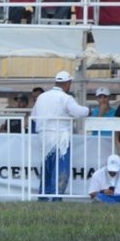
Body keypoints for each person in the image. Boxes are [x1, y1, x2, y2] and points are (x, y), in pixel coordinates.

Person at [31, 71, 89, 201]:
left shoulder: (42, 97)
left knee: (47, 168)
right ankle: (55, 198)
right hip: (60, 136)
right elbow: (79, 112)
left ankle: (43, 197)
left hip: (44, 136)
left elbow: (34, 116)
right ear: (68, 83)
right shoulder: (65, 98)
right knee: (60, 168)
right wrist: (88, 110)